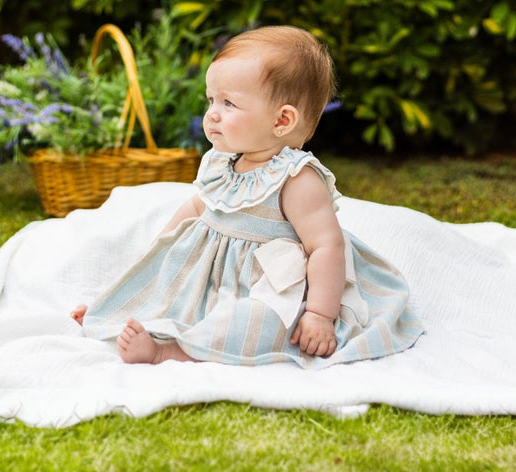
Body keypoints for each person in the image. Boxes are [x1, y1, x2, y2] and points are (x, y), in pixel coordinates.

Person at [71, 25, 423, 368]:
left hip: (264, 281)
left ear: (281, 121)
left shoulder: (296, 179)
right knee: (163, 273)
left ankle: (170, 353)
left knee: (255, 320)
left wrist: (319, 314)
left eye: (228, 103)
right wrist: (163, 247)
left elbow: (325, 247)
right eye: (211, 100)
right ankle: (114, 314)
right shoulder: (221, 161)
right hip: (209, 269)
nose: (212, 114)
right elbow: (198, 206)